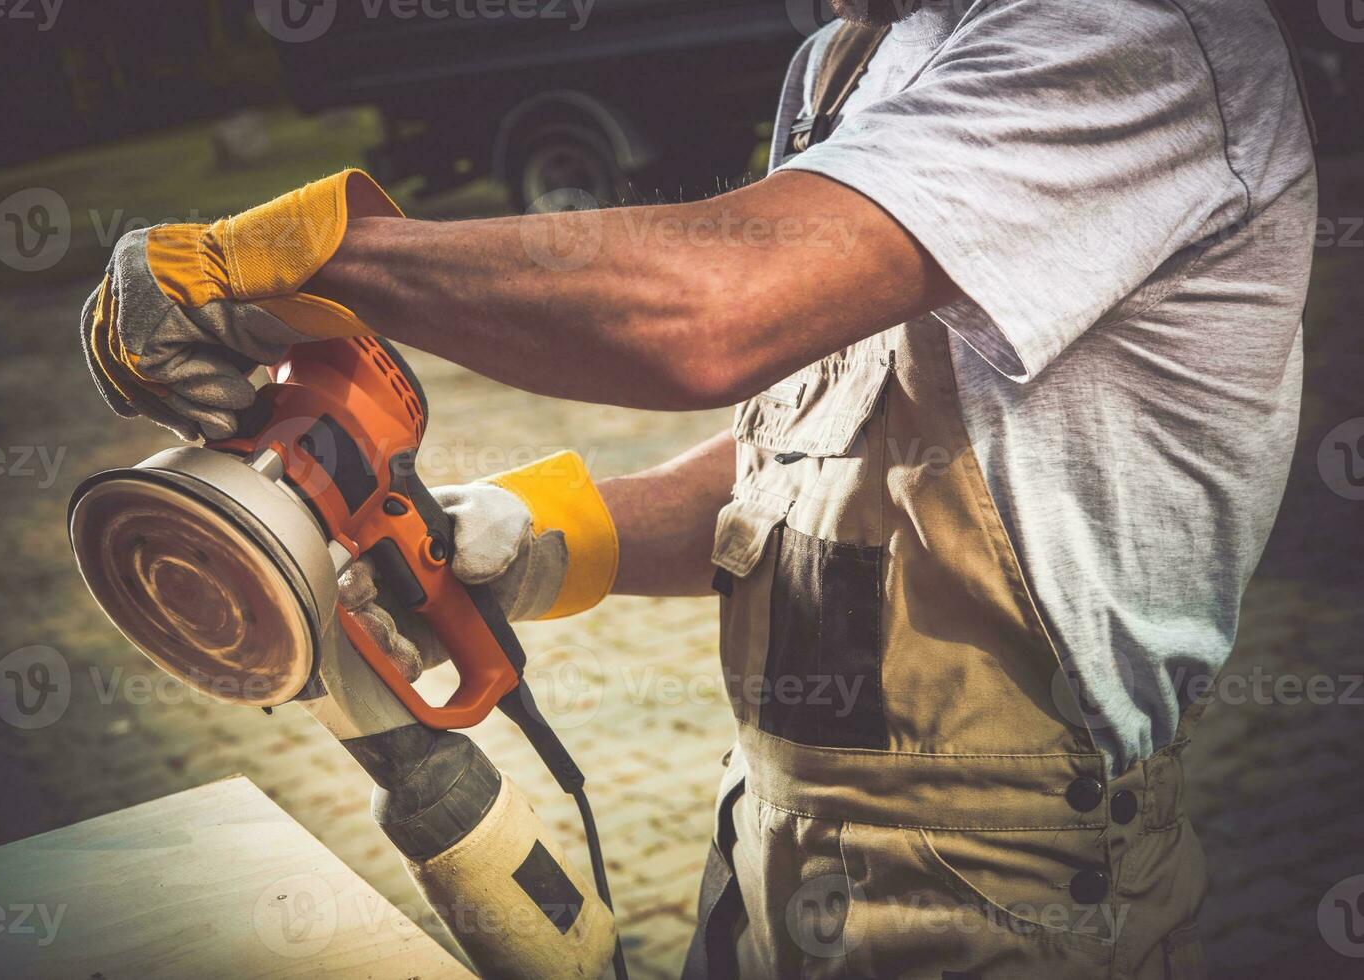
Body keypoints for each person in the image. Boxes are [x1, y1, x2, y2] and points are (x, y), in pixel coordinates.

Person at [80, 0, 1317, 975]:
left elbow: (707, 310)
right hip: (775, 835)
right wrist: (537, 532)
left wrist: (321, 259)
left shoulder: (1139, 38)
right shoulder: (847, 60)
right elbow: (823, 461)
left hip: (1006, 885)